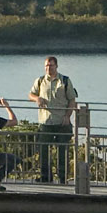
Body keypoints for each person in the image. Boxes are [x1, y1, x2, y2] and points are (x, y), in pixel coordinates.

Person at [27, 55, 77, 184]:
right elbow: (31, 94)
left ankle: (62, 178)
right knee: (43, 151)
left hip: (62, 122)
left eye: (51, 65)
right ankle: (45, 177)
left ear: (56, 66)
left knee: (62, 151)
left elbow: (72, 100)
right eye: (46, 66)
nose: (48, 68)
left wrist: (68, 116)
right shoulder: (40, 81)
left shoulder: (65, 81)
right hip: (46, 122)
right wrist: (37, 98)